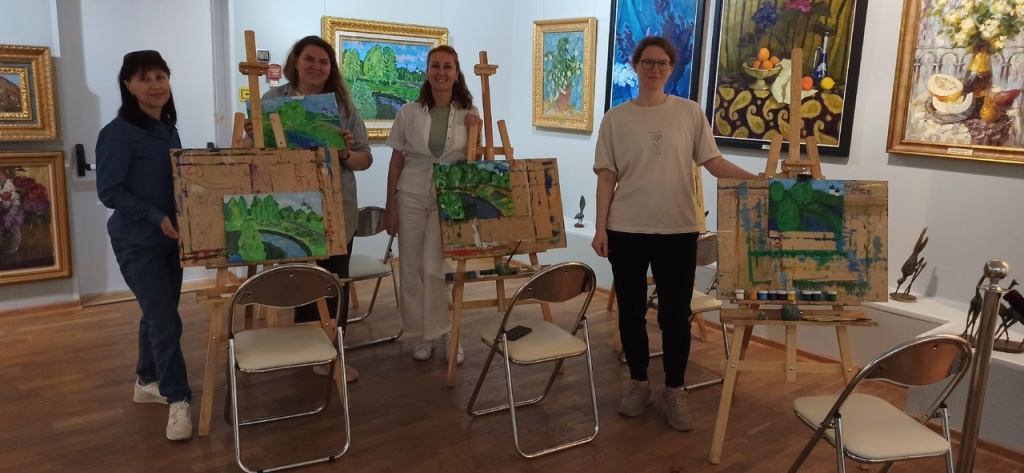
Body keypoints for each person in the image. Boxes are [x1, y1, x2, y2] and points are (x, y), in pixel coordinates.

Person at [591, 36, 757, 432]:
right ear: (635, 66)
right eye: (648, 62)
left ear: (671, 68)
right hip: (626, 228)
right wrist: (600, 228)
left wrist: (760, 181)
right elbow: (607, 177)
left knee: (674, 316)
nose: (655, 69)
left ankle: (675, 389)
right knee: (631, 313)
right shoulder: (616, 118)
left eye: (662, 63)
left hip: (678, 229)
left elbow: (714, 163)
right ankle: (639, 383)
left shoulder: (689, 112)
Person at [251, 36, 372, 383]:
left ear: (330, 68)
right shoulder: (273, 100)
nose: (316, 67)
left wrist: (345, 152)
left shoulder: (344, 106)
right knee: (301, 281)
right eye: (310, 59)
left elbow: (365, 158)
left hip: (336, 208)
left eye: (323, 61)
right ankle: (307, 350)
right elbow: (255, 154)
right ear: (296, 62)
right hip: (290, 208)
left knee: (334, 282)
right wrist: (254, 138)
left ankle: (332, 352)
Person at [96, 50, 193, 441]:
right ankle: (178, 398)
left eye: (161, 76)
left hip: (171, 241)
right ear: (128, 85)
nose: (156, 85)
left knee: (158, 314)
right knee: (166, 322)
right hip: (137, 242)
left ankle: (146, 380)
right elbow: (110, 191)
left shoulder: (169, 129)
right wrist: (155, 215)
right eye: (145, 78)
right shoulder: (117, 133)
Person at [384, 45, 482, 364]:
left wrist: (476, 133)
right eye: (435, 66)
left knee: (435, 266)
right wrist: (390, 205)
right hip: (411, 191)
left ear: (456, 73)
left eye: (447, 66)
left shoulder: (469, 113)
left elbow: (475, 161)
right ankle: (424, 335)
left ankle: (447, 331)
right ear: (427, 72)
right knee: (411, 267)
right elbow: (396, 160)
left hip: (448, 194)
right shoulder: (409, 112)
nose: (441, 72)